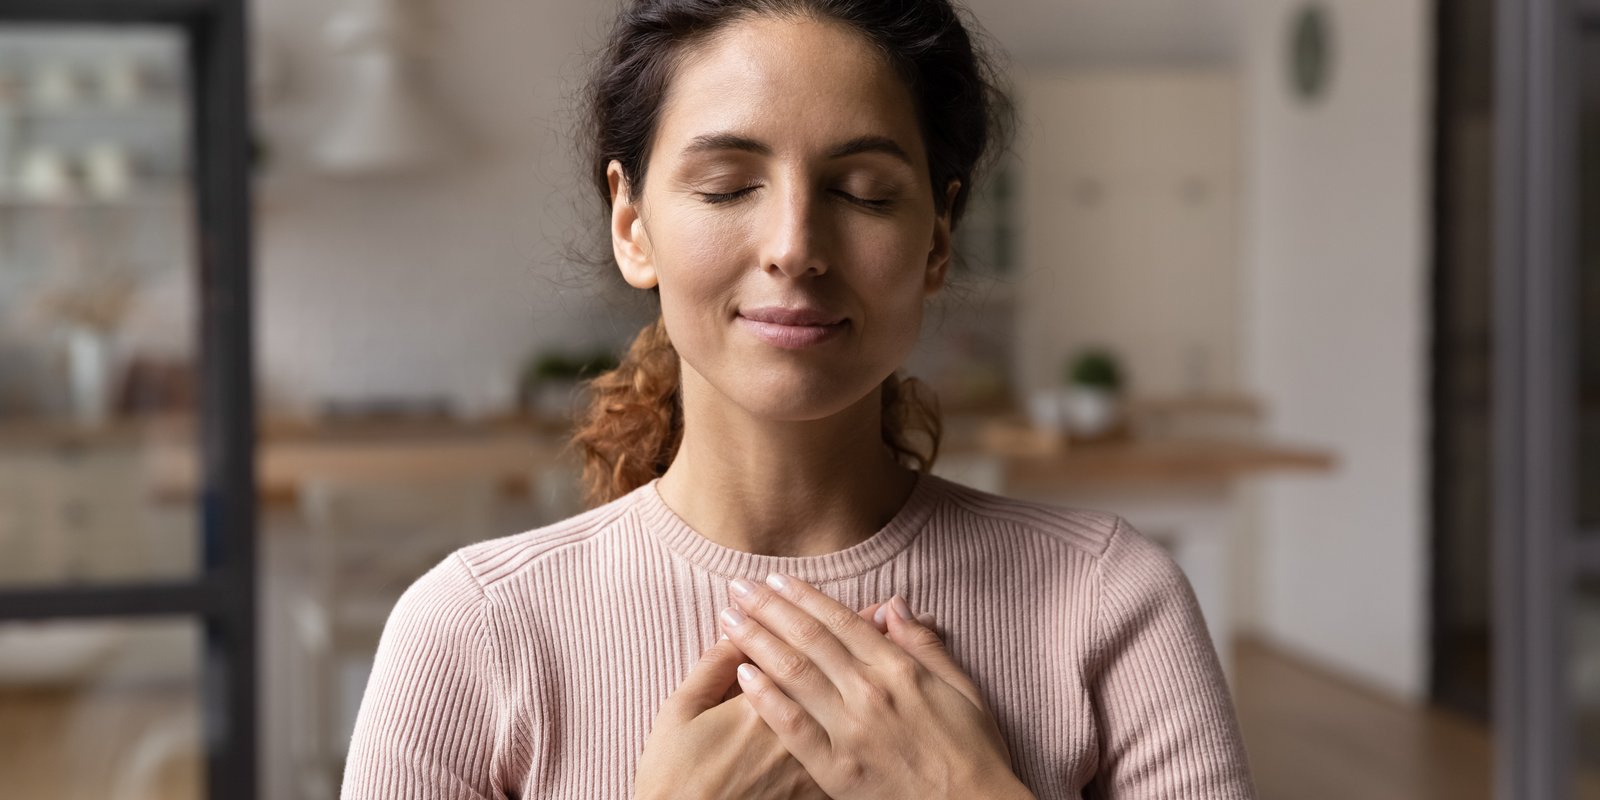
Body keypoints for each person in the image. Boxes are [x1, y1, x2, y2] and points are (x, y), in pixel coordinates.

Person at [341, 0, 1258, 797]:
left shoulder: (1110, 603)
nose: (794, 245)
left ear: (937, 238)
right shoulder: (475, 632)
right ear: (632, 225)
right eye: (728, 185)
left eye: (862, 193)